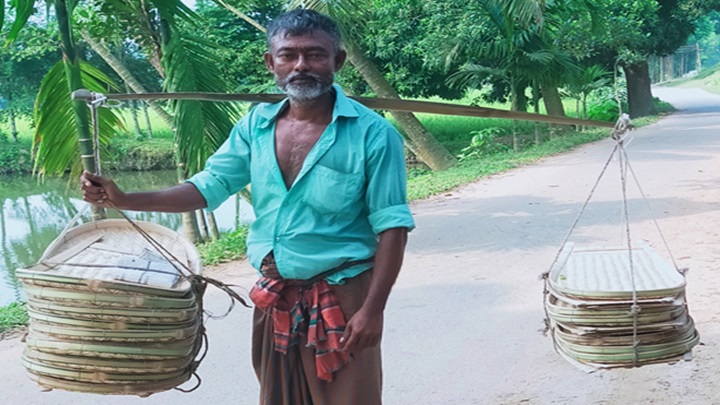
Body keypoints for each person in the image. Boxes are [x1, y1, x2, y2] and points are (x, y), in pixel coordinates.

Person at [80, 8, 415, 405]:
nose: (301, 65)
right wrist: (125, 199)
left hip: (342, 296)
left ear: (337, 61)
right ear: (270, 62)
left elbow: (392, 227)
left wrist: (373, 309)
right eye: (288, 55)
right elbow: (211, 186)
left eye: (315, 55)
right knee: (278, 398)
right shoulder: (256, 125)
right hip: (276, 297)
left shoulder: (373, 134)